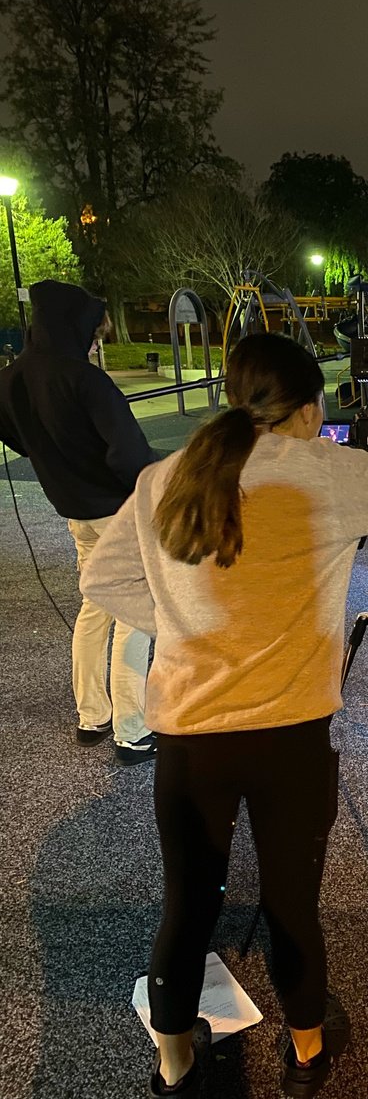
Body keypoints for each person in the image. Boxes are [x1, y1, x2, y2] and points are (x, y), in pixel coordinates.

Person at [79, 332, 368, 1099]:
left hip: (189, 736)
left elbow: (103, 577)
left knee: (187, 906)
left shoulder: (167, 476)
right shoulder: (329, 471)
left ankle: (175, 1065)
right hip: (291, 733)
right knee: (294, 904)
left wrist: (182, 628)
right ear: (309, 407)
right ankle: (306, 1053)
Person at [0, 279, 157, 761]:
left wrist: (57, 463)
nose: (94, 345)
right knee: (134, 615)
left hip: (74, 511)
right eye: (93, 335)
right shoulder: (85, 380)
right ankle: (132, 729)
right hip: (118, 513)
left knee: (94, 608)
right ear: (75, 326)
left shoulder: (11, 378)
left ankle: (93, 716)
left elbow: (18, 438)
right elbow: (128, 452)